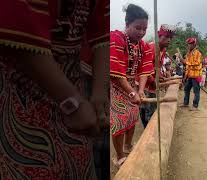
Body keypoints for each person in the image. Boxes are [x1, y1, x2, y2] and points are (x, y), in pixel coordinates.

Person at [0, 0, 108, 179]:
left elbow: (101, 29)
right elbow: (18, 28)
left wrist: (100, 93)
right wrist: (73, 102)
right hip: (21, 86)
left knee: (79, 165)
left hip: (73, 85)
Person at [110, 4, 154, 167]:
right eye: (138, 28)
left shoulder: (143, 46)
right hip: (116, 85)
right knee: (119, 120)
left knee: (132, 117)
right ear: (127, 24)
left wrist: (140, 90)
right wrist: (131, 93)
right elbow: (115, 74)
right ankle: (119, 155)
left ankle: (128, 146)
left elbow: (144, 70)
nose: (142, 32)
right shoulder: (116, 38)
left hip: (131, 86)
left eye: (144, 29)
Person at [139, 24, 176, 128]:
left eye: (170, 38)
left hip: (152, 84)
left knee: (152, 108)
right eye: (166, 37)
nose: (168, 40)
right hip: (144, 83)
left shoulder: (163, 50)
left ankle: (150, 127)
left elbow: (158, 66)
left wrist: (160, 76)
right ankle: (148, 131)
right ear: (159, 37)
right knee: (147, 109)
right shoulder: (151, 48)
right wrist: (153, 80)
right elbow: (144, 68)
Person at [180, 38, 203, 111]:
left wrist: (186, 62)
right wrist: (185, 76)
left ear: (194, 44)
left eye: (190, 44)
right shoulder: (188, 54)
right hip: (190, 75)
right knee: (186, 89)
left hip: (196, 75)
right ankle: (186, 103)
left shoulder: (198, 53)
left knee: (196, 91)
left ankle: (195, 106)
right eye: (188, 44)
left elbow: (197, 63)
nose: (188, 45)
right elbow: (187, 66)